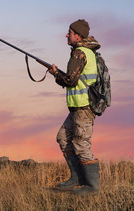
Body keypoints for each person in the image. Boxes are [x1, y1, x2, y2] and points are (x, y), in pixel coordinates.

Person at [49, 19, 100, 195]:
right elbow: (73, 79)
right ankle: (76, 178)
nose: (66, 35)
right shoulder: (83, 52)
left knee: (81, 144)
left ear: (77, 35)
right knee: (63, 137)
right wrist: (58, 74)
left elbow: (70, 80)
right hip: (77, 108)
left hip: (84, 108)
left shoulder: (80, 53)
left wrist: (56, 74)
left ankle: (93, 187)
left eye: (69, 32)